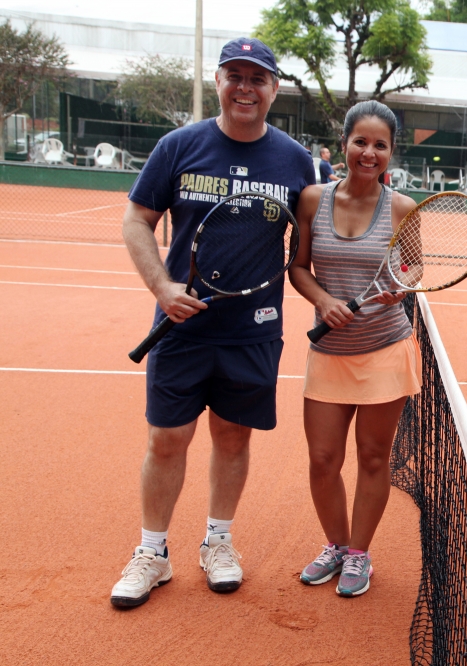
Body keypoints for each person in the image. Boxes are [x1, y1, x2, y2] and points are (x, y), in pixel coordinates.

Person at [112, 38, 316, 608]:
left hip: (253, 330)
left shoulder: (297, 162)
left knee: (232, 437)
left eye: (258, 78)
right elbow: (136, 219)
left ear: (274, 89)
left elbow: (311, 246)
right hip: (181, 326)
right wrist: (161, 287)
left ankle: (218, 541)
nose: (245, 88)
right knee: (167, 438)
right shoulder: (179, 145)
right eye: (235, 76)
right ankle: (153, 552)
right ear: (220, 81)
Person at [289, 101, 420, 597]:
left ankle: (359, 555)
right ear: (343, 144)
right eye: (360, 142)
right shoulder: (311, 200)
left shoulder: (403, 208)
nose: (369, 153)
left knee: (371, 458)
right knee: (323, 458)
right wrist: (323, 301)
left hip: (384, 348)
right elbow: (298, 266)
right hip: (329, 352)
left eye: (380, 145)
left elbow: (414, 271)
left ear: (390, 152)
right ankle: (336, 545)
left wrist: (400, 288)